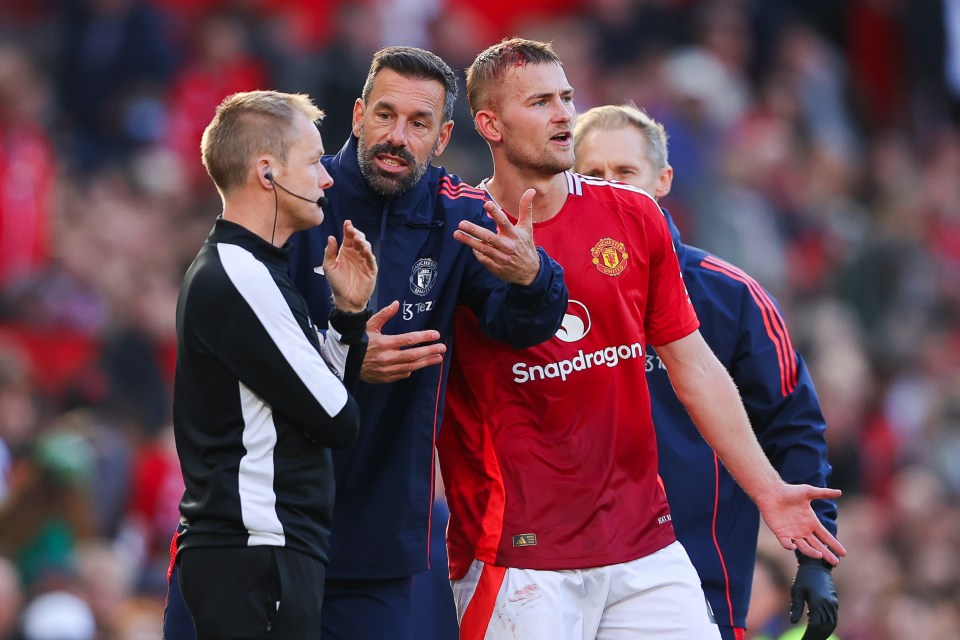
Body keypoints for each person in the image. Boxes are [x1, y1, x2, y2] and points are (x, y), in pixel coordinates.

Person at [437, 37, 845, 639]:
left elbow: (695, 368)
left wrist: (771, 493)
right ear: (489, 124)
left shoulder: (633, 218)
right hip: (518, 555)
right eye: (540, 101)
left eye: (566, 97)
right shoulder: (455, 229)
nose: (562, 114)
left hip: (644, 546)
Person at [288, 47, 567, 640]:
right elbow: (243, 332)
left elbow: (519, 326)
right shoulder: (300, 197)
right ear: (359, 114)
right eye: (385, 115)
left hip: (378, 535)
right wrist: (343, 356)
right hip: (266, 518)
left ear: (442, 138)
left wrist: (534, 277)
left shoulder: (459, 217)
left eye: (418, 124)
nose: (397, 137)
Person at [573, 103, 839, 640]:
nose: (610, 188)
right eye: (592, 175)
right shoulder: (541, 293)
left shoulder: (731, 296)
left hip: (701, 576)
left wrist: (816, 559)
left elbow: (795, 427)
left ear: (663, 179)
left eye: (625, 173)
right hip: (566, 572)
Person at [171, 90, 376, 639]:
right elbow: (338, 419)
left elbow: (321, 398)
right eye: (313, 163)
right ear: (267, 172)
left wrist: (349, 317)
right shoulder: (241, 274)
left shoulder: (255, 268)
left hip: (260, 555)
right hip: (255, 554)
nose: (327, 179)